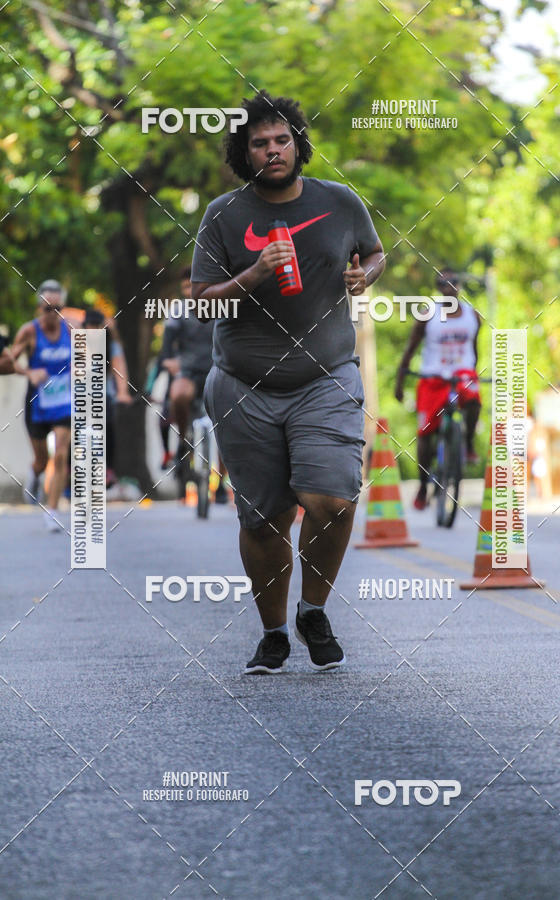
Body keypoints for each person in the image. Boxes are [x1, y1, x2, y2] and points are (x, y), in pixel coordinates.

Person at [191, 91, 385, 674]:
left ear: (298, 143)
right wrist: (252, 275)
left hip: (326, 377)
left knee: (333, 497)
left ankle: (313, 610)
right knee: (264, 518)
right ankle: (274, 632)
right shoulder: (223, 216)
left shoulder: (341, 201)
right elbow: (200, 304)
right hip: (243, 386)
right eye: (259, 144)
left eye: (282, 140)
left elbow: (375, 252)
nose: (273, 150)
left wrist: (365, 274)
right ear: (243, 153)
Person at [395, 268, 481, 510]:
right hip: (432, 377)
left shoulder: (472, 316)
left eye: (453, 282)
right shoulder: (427, 315)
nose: (449, 287)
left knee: (474, 399)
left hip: (461, 373)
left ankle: (469, 443)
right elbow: (410, 350)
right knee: (425, 434)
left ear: (459, 286)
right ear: (437, 288)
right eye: (443, 283)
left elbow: (474, 350)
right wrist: (400, 381)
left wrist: (474, 371)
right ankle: (423, 486)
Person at [0, 280, 72, 531]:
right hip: (37, 404)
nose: (53, 314)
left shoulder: (72, 329)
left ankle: (51, 511)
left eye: (58, 308)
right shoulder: (29, 332)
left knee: (61, 453)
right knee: (43, 459)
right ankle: (36, 472)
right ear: (39, 308)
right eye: (47, 309)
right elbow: (5, 364)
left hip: (65, 403)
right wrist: (28, 372)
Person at [158, 266, 227, 500]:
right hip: (187, 372)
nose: (188, 291)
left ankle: (221, 486)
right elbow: (166, 351)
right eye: (185, 287)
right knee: (178, 394)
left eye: (192, 286)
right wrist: (170, 362)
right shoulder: (177, 312)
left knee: (227, 423)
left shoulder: (221, 308)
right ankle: (183, 440)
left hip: (216, 371)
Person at [83, 308, 132, 486]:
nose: (94, 329)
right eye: (91, 325)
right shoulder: (77, 342)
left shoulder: (112, 345)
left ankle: (108, 469)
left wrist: (123, 393)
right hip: (79, 396)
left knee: (108, 424)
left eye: (98, 326)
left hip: (103, 396)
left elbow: (120, 370)